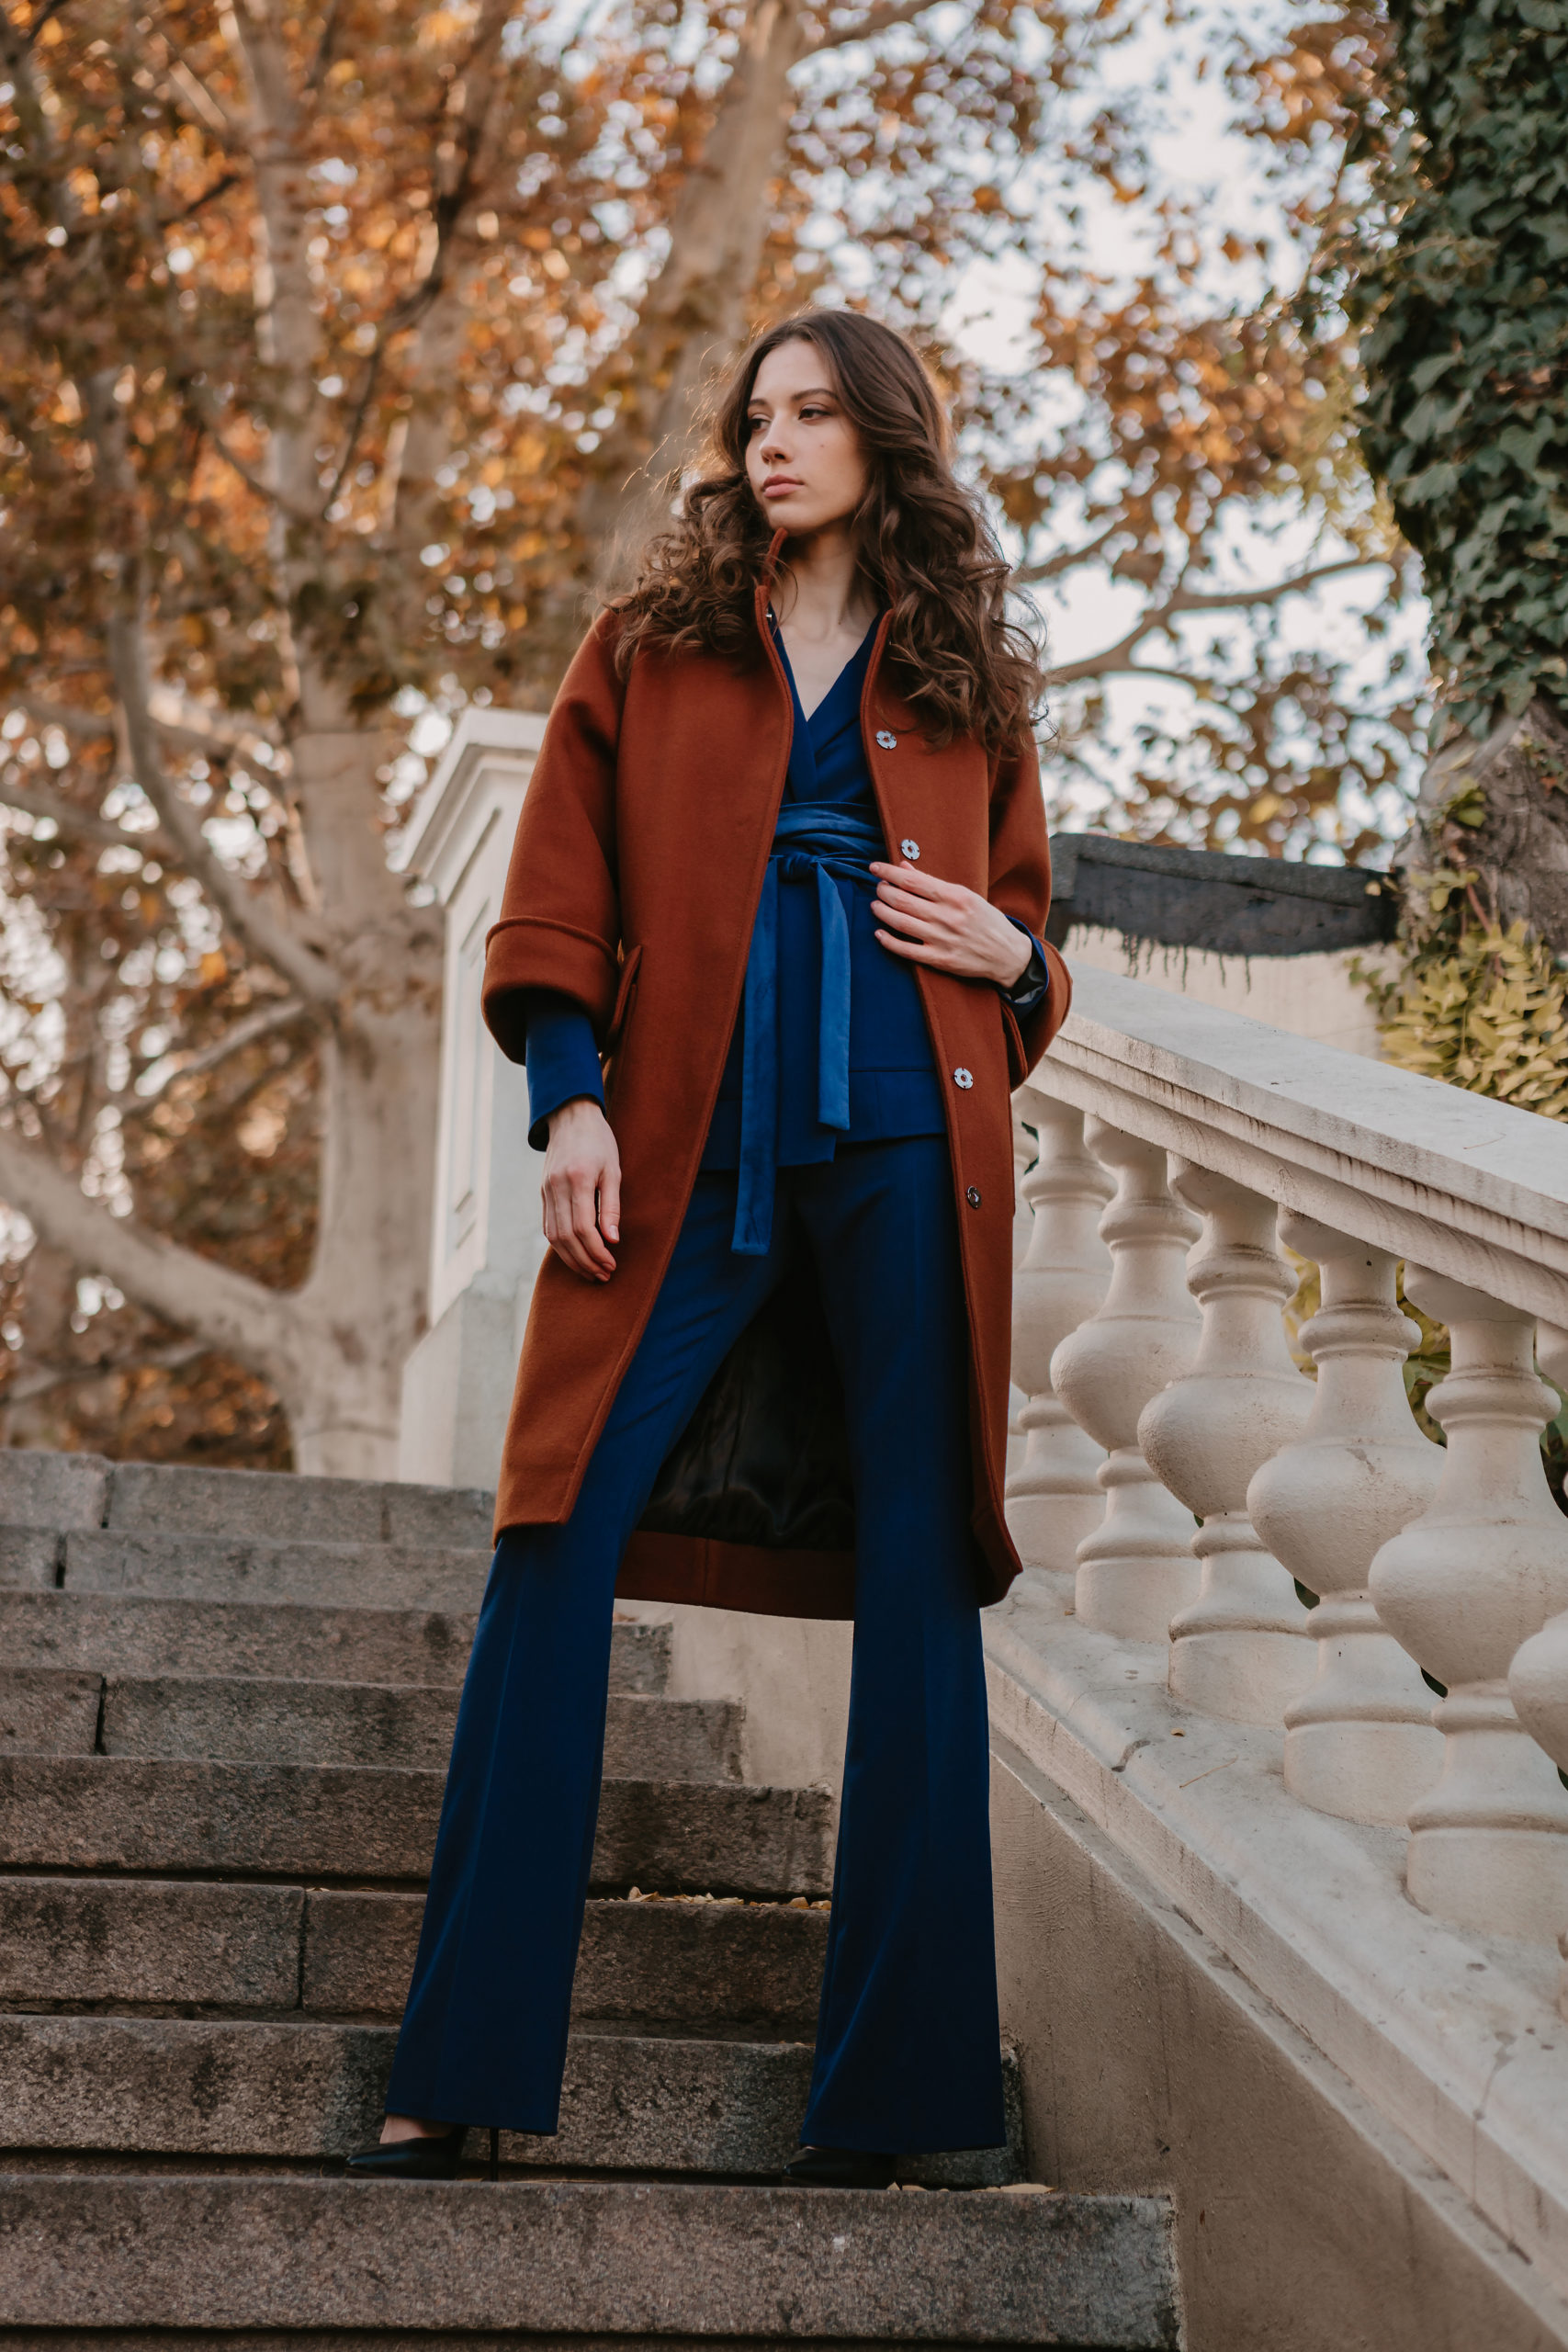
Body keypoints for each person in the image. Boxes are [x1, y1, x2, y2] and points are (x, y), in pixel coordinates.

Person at [350, 308, 1071, 2189]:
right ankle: (463, 2059)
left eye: (815, 413)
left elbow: (1019, 936)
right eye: (756, 415)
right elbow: (554, 895)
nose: (773, 442)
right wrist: (567, 1096)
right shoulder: (648, 646)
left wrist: (1018, 962)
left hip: (911, 1130)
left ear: (884, 439)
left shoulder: (962, 676)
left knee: (921, 1571)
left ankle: (903, 2094)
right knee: (547, 1532)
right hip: (676, 1126)